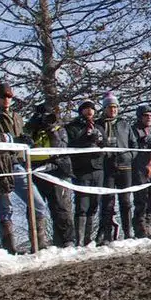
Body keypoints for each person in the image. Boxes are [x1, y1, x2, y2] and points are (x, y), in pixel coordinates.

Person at [0, 83, 49, 253]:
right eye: (3, 96)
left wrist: (29, 133)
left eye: (9, 96)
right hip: (1, 165)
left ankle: (39, 244)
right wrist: (15, 140)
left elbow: (24, 135)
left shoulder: (17, 116)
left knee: (38, 204)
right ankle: (9, 249)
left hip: (19, 163)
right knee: (5, 208)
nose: (7, 99)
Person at [24, 102, 75, 247]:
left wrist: (51, 130)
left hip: (55, 169)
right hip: (34, 171)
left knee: (60, 206)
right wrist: (32, 129)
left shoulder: (59, 129)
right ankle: (38, 241)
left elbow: (60, 148)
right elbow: (24, 144)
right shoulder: (30, 128)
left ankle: (66, 240)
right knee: (34, 207)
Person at [65, 100, 106, 246]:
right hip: (81, 170)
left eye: (92, 109)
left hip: (98, 169)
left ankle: (88, 239)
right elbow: (70, 144)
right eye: (86, 108)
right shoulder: (72, 127)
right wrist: (86, 139)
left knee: (94, 204)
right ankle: (79, 240)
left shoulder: (99, 127)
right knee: (82, 205)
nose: (90, 111)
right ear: (81, 111)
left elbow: (105, 144)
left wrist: (99, 140)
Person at [98, 92, 133, 243]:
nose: (113, 110)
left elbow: (134, 145)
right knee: (108, 202)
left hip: (125, 167)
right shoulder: (99, 125)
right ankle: (107, 234)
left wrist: (129, 156)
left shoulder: (125, 124)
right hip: (107, 168)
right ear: (105, 108)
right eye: (110, 107)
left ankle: (128, 232)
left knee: (126, 202)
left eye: (115, 107)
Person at [128, 105, 151, 237]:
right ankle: (141, 229)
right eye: (146, 115)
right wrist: (143, 142)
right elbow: (132, 147)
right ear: (140, 116)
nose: (149, 118)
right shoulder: (134, 130)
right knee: (141, 200)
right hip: (139, 169)